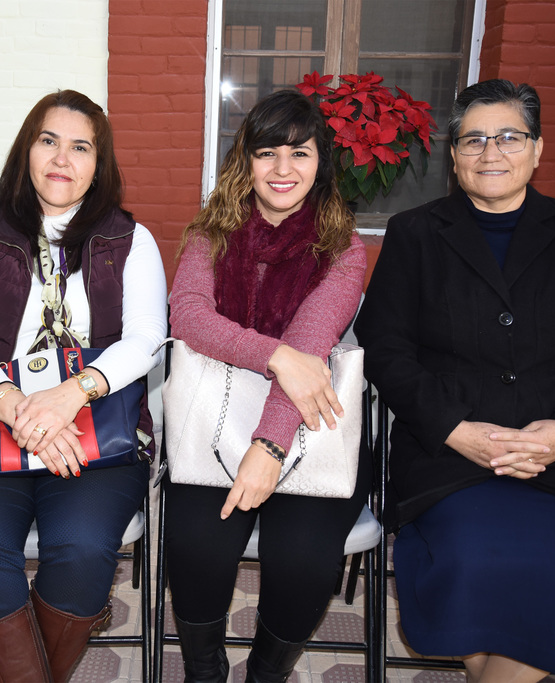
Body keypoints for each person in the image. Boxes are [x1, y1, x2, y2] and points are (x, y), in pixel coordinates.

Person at [355, 79, 555, 682]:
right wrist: (455, 430)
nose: (491, 152)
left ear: (537, 149)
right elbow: (384, 347)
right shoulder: (415, 233)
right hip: (449, 453)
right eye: (474, 140)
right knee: (473, 560)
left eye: (510, 137)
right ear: (454, 156)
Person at [0, 89, 167, 682]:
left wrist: (69, 395)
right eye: (49, 141)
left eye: (81, 147)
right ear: (26, 151)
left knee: (83, 546)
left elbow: (146, 338)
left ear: (99, 164)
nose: (63, 158)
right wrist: (18, 408)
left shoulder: (130, 240)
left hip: (96, 422)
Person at [162, 89, 370, 683]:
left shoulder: (342, 249)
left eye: (300, 153)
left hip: (307, 428)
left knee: (304, 560)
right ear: (245, 160)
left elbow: (311, 352)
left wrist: (269, 447)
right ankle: (204, 670)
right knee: (196, 546)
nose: (283, 168)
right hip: (213, 423)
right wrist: (276, 355)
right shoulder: (209, 235)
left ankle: (266, 673)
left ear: (320, 163)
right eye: (267, 152)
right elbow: (190, 318)